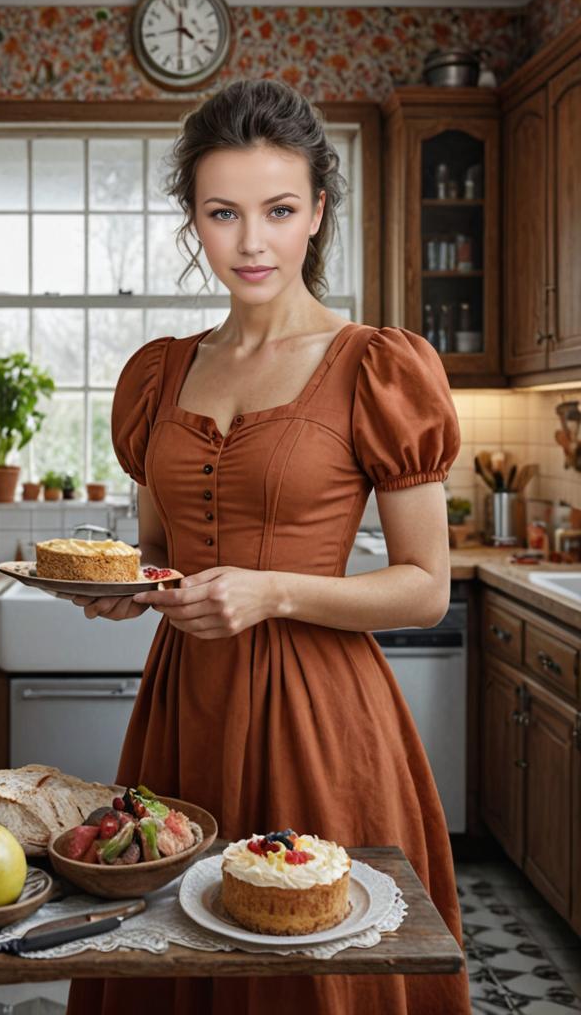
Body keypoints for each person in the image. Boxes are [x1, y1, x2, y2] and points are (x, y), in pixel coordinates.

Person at [65, 78, 471, 1014]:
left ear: (318, 212)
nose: (252, 242)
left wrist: (272, 591)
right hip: (182, 708)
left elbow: (424, 590)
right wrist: (127, 591)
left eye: (279, 210)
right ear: (193, 219)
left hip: (322, 719)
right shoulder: (158, 374)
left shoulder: (377, 366)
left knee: (308, 965)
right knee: (173, 957)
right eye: (224, 212)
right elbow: (156, 552)